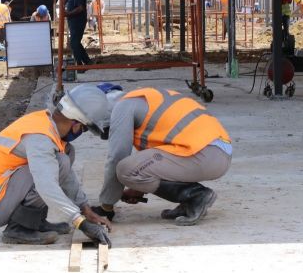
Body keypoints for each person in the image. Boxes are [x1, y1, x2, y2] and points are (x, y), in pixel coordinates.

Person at [0, 86, 112, 246]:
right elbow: (47, 187)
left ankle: (35, 222)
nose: (81, 132)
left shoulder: (47, 124)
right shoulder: (40, 139)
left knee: (64, 156)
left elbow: (67, 178)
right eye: (84, 128)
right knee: (56, 165)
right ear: (75, 122)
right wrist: (80, 222)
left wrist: (86, 210)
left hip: (1, 194)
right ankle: (18, 229)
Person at [74, 86, 232, 226]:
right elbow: (157, 157)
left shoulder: (122, 107)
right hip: (215, 152)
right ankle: (190, 200)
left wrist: (106, 207)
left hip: (205, 153)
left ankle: (197, 195)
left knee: (124, 169)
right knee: (132, 169)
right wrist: (139, 187)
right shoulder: (143, 100)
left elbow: (117, 157)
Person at [64, 0, 92, 67]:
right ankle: (87, 61)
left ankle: (79, 64)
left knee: (74, 43)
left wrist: (68, 14)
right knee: (75, 43)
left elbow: (81, 8)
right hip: (75, 22)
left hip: (77, 22)